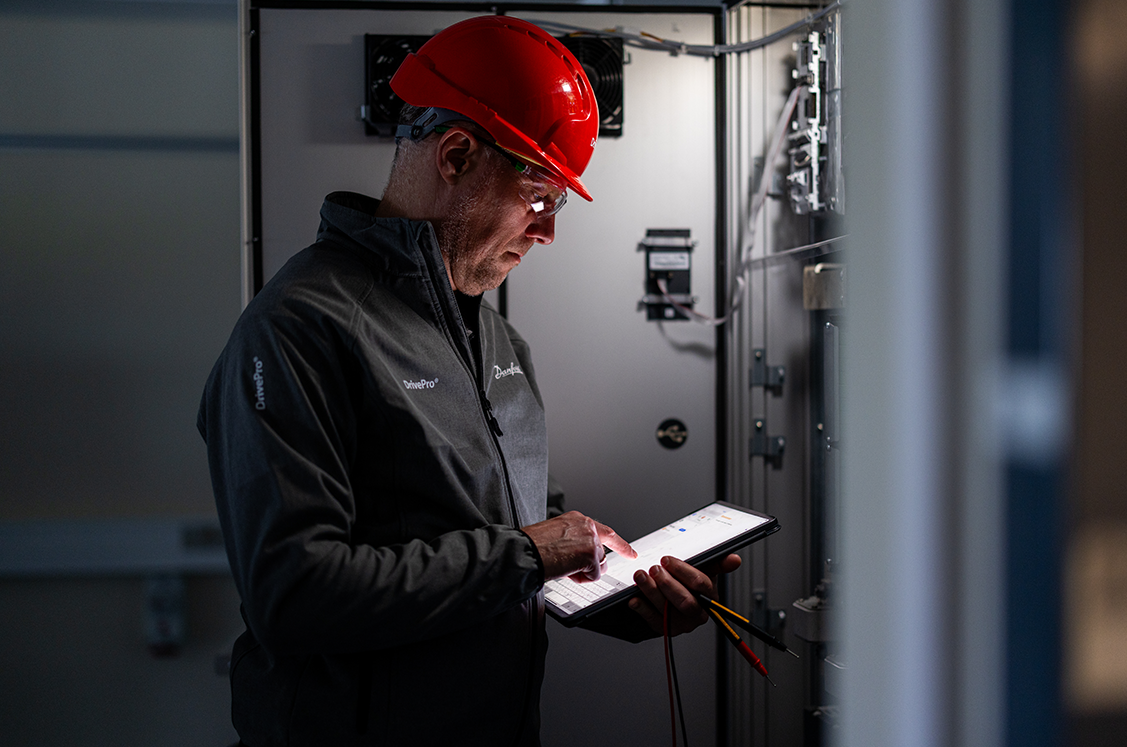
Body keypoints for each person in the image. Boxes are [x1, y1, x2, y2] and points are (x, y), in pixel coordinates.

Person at [198, 15, 740, 747]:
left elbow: (509, 547)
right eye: (541, 196)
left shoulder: (495, 340)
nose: (548, 231)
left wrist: (626, 599)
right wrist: (533, 550)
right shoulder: (299, 329)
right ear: (455, 155)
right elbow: (293, 594)